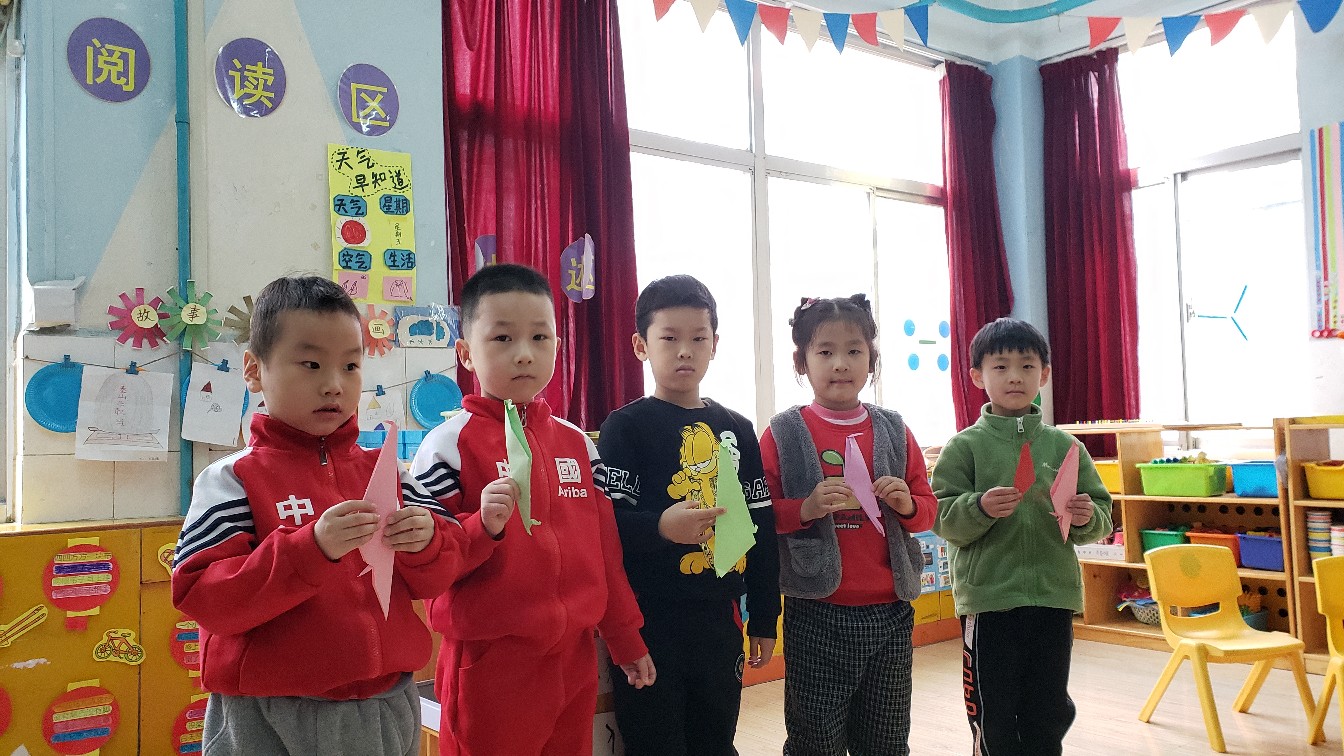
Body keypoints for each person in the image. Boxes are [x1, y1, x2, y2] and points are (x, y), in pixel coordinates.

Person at [173, 275, 487, 756]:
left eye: (351, 366)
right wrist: (310, 550)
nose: (333, 384)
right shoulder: (233, 479)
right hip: (268, 710)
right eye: (311, 364)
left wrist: (427, 542)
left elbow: (442, 571)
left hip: (386, 700)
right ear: (254, 370)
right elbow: (203, 596)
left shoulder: (385, 471)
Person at [410, 263, 655, 756]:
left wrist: (624, 636)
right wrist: (482, 527)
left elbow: (605, 552)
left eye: (540, 338)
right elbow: (426, 566)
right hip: (490, 665)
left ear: (557, 348)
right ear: (465, 353)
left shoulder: (579, 445)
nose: (524, 353)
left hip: (573, 659)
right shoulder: (446, 446)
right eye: (502, 338)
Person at [598, 275, 780, 756]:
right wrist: (661, 527)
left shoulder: (737, 428)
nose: (685, 351)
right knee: (655, 742)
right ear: (641, 346)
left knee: (716, 739)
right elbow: (605, 527)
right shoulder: (625, 427)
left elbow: (760, 527)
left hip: (721, 619)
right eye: (669, 339)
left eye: (698, 339)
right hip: (649, 622)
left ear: (715, 344)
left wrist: (765, 615)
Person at [760, 294, 937, 756]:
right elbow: (759, 515)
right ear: (802, 362)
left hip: (891, 609)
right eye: (825, 351)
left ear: (871, 359)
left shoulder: (894, 429)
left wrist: (906, 504)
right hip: (816, 609)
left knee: (886, 738)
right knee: (815, 739)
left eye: (854, 350)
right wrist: (805, 508)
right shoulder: (783, 432)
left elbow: (927, 510)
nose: (841, 363)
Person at [931, 317, 1113, 756]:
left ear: (1043, 375)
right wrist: (979, 507)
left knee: (1048, 709)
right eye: (1000, 366)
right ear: (977, 376)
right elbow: (941, 517)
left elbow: (1102, 515)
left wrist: (1087, 516)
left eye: (1027, 366)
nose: (1015, 376)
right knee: (993, 709)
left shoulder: (1066, 447)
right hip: (989, 601)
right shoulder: (964, 447)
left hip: (1053, 596)